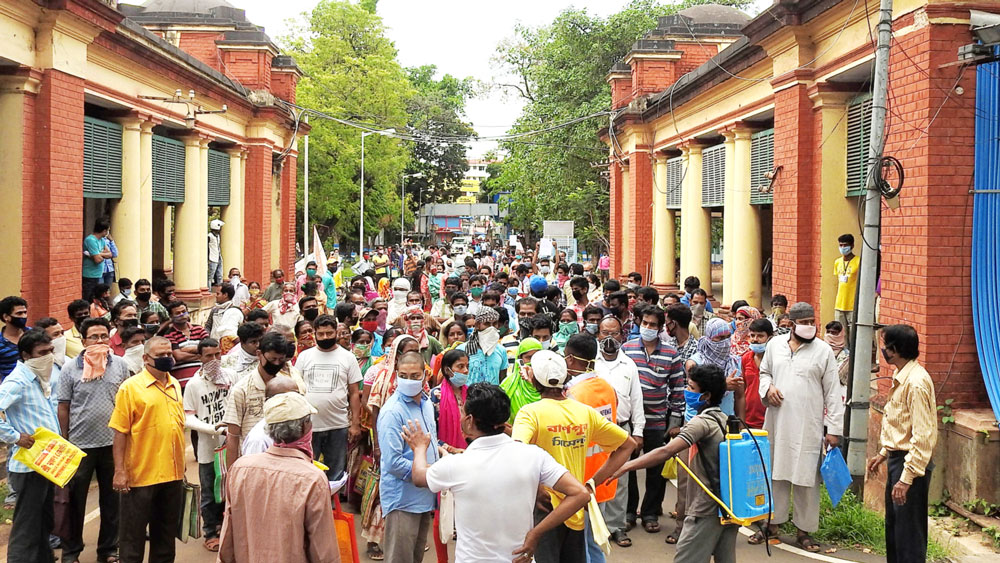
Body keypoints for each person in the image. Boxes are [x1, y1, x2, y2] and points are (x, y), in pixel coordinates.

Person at [403, 382, 591, 562]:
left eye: (463, 412)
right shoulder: (533, 455)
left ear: (469, 421)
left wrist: (419, 448)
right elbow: (581, 494)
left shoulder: (457, 465)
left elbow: (419, 476)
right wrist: (536, 533)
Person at [512, 350, 635, 562]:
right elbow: (628, 445)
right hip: (575, 509)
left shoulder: (529, 413)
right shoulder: (584, 412)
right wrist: (591, 485)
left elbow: (515, 453)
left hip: (544, 509)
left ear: (534, 379)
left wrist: (538, 486)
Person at [609, 364, 736, 563]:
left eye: (692, 388)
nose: (686, 391)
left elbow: (666, 451)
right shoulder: (723, 418)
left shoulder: (701, 423)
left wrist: (626, 466)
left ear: (706, 395)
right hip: (727, 504)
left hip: (705, 508)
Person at [758, 302, 843, 552]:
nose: (809, 327)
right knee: (776, 473)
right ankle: (772, 524)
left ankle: (804, 532)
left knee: (807, 478)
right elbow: (764, 373)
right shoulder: (775, 346)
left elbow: (833, 391)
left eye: (811, 321)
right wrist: (768, 388)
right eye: (803, 322)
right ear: (791, 324)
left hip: (809, 426)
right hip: (777, 422)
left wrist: (834, 430)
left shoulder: (823, 351)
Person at [219, 392, 340, 563]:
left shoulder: (240, 468)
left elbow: (227, 537)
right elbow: (324, 552)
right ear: (305, 428)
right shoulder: (312, 479)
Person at [57, 317, 129, 563]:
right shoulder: (70, 368)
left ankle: (108, 550)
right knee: (74, 502)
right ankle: (70, 552)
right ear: (83, 340)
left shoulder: (120, 365)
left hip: (113, 444)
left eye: (103, 336)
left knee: (113, 501)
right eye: (93, 337)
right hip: (79, 446)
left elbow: (127, 403)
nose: (99, 341)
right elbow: (64, 406)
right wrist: (65, 440)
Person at [109, 336, 186, 563]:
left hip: (172, 476)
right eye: (160, 356)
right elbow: (120, 432)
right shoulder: (130, 389)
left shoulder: (174, 385)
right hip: (141, 476)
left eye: (169, 354)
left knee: (165, 538)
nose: (166, 359)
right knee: (132, 539)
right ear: (145, 358)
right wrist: (120, 471)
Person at [866, 324, 937, 563]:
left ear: (895, 349)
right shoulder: (901, 375)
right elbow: (901, 424)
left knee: (909, 534)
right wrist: (884, 453)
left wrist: (906, 479)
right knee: (895, 530)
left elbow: (923, 435)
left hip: (910, 466)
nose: (883, 350)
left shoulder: (916, 383)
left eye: (885, 346)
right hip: (898, 459)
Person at [622, 305, 686, 534]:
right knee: (627, 467)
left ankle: (650, 512)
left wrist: (674, 423)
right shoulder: (627, 349)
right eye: (644, 323)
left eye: (652, 325)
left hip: (658, 420)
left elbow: (678, 389)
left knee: (655, 469)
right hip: (629, 421)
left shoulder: (671, 354)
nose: (647, 328)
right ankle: (629, 512)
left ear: (660, 328)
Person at [0, 329, 61, 563]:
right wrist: (15, 436)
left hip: (45, 462)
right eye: (42, 352)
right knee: (27, 524)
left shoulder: (39, 377)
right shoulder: (18, 380)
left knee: (44, 520)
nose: (49, 356)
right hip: (28, 466)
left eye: (51, 351)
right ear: (26, 355)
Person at [562, 333, 622, 562]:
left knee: (581, 544)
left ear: (570, 359)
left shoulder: (574, 395)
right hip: (604, 475)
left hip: (582, 479)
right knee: (594, 539)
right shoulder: (606, 387)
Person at [377, 350, 437, 563]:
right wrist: (428, 473)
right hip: (402, 499)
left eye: (414, 376)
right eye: (403, 375)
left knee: (416, 556)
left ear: (425, 375)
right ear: (396, 374)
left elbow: (430, 442)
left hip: (424, 497)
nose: (408, 380)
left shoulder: (427, 404)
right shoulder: (392, 412)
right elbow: (393, 462)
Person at [594, 315, 646, 547]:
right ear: (598, 334)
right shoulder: (591, 363)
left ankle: (616, 527)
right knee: (594, 476)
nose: (609, 338)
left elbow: (637, 400)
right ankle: (597, 528)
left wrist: (639, 431)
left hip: (621, 429)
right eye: (605, 333)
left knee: (619, 479)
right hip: (595, 431)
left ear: (622, 335)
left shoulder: (629, 365)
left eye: (614, 333)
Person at [295, 315, 362, 480]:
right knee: (306, 471)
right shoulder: (304, 357)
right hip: (308, 426)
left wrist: (355, 424)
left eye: (329, 333)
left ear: (336, 333)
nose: (325, 337)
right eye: (321, 334)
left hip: (338, 425)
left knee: (336, 473)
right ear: (315, 334)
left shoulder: (348, 357)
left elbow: (354, 393)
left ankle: (332, 504)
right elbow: (296, 389)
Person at [223, 332, 305, 467]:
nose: (277, 363)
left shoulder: (288, 385)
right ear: (259, 354)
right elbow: (233, 436)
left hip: (284, 462)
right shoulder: (242, 390)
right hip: (252, 461)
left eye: (281, 360)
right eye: (272, 359)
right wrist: (232, 474)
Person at [183, 338, 235, 552]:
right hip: (208, 449)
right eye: (208, 356)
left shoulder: (230, 377)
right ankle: (210, 532)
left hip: (232, 445)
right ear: (200, 358)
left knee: (230, 488)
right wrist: (215, 428)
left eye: (217, 355)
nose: (214, 360)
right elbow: (187, 418)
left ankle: (226, 527)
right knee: (209, 491)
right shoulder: (194, 384)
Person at [160, 300, 209, 389]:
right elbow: (178, 356)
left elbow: (209, 348)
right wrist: (200, 355)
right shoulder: (169, 334)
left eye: (183, 311)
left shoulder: (199, 329)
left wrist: (187, 349)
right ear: (171, 316)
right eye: (177, 313)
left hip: (204, 378)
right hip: (182, 382)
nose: (182, 315)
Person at [429, 348, 469, 454]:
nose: (465, 370)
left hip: (470, 451)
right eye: (460, 366)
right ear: (447, 370)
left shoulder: (471, 393)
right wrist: (450, 449)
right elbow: (430, 432)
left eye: (467, 366)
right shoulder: (436, 395)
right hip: (444, 453)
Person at [459, 307, 508, 385]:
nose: (491, 328)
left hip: (493, 396)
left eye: (494, 324)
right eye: (487, 324)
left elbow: (503, 381)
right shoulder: (462, 350)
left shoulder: (501, 350)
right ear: (477, 325)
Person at [741, 318, 773, 431]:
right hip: (749, 417)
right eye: (752, 335)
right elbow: (743, 388)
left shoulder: (775, 360)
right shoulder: (746, 358)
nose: (755, 339)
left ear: (770, 338)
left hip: (769, 417)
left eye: (760, 336)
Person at [833, 233, 860, 345]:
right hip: (839, 304)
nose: (843, 248)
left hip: (852, 303)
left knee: (853, 332)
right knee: (840, 333)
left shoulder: (859, 261)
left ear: (852, 245)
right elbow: (837, 282)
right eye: (841, 245)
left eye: (846, 245)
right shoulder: (837, 262)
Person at [206, 282, 244, 354]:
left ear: (225, 295)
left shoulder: (235, 311)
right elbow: (208, 326)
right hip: (213, 346)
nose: (216, 296)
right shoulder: (214, 310)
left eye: (218, 294)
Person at [84, 218, 114, 299]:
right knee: (89, 298)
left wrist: (95, 254)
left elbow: (110, 254)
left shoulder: (102, 240)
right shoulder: (91, 240)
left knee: (99, 298)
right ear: (104, 231)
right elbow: (98, 260)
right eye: (108, 230)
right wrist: (99, 255)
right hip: (90, 275)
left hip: (98, 274)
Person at [0, 296, 29, 379]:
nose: (23, 316)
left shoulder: (34, 335)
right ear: (6, 317)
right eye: (19, 313)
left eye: (25, 312)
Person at [208, 219, 224, 287]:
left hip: (218, 256)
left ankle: (220, 288)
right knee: (210, 276)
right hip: (212, 257)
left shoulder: (217, 236)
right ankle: (209, 289)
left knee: (219, 274)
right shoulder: (209, 236)